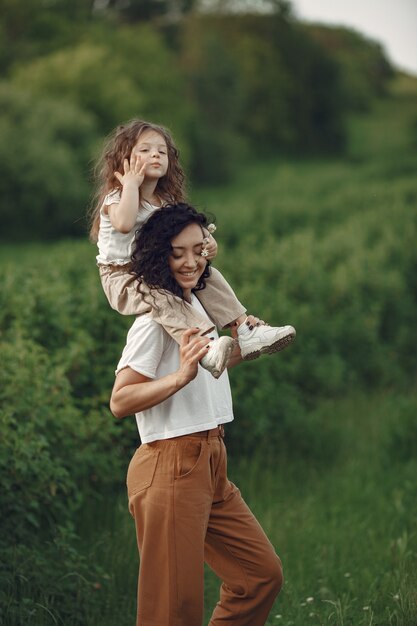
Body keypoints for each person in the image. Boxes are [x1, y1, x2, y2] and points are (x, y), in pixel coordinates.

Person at [110, 203, 283, 626]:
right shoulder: (155, 320)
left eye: (197, 250)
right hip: (171, 463)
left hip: (210, 460)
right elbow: (120, 400)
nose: (191, 262)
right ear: (157, 256)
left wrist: (244, 345)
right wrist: (180, 377)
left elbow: (210, 369)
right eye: (177, 253)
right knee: (173, 611)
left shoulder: (199, 308)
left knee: (259, 576)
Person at [89, 119, 295, 379]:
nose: (155, 154)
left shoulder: (166, 201)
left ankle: (245, 329)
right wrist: (130, 184)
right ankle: (204, 348)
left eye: (161, 151)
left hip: (155, 268)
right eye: (144, 150)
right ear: (124, 159)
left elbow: (189, 232)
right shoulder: (117, 197)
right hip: (123, 277)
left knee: (207, 274)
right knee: (160, 299)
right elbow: (124, 223)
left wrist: (207, 242)